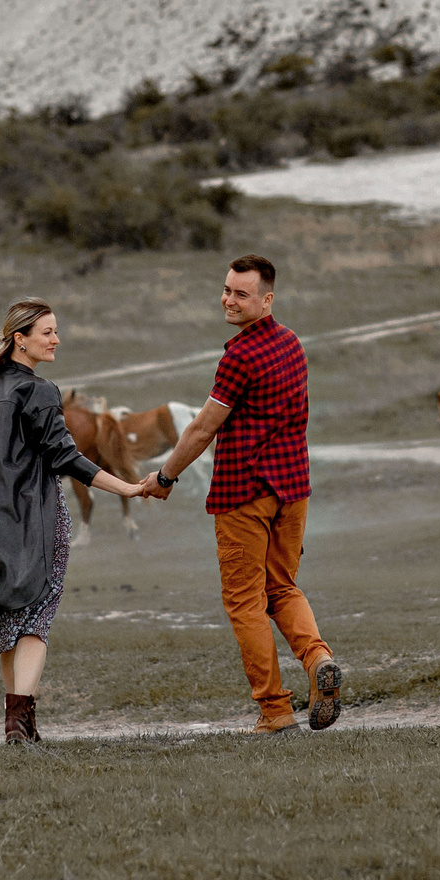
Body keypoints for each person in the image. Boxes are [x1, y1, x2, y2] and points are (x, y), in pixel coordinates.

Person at [0, 298, 151, 744]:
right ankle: (19, 726)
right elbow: (66, 458)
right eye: (48, 332)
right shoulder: (40, 391)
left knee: (5, 619)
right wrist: (129, 488)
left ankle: (23, 729)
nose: (56, 339)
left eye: (56, 331)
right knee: (35, 617)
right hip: (35, 519)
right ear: (20, 340)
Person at [141, 255, 345, 734]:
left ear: (266, 299)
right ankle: (318, 663)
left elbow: (203, 428)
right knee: (282, 588)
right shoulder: (292, 344)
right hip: (293, 488)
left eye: (241, 293)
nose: (229, 300)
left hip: (244, 493)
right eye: (227, 290)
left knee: (245, 601)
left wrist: (165, 477)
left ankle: (274, 710)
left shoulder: (239, 357)